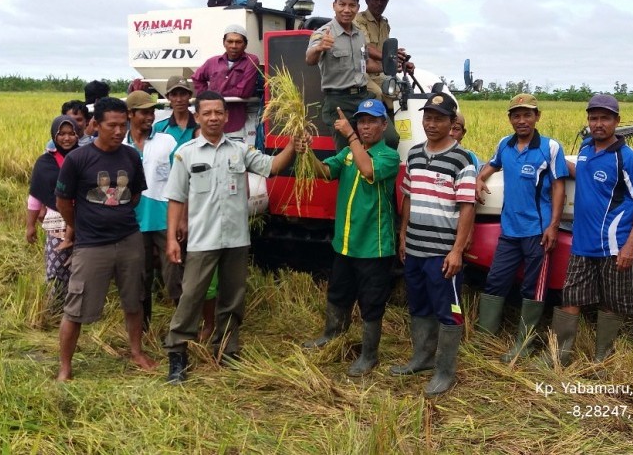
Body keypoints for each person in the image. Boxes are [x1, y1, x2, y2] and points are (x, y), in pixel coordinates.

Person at [163, 90, 302, 383]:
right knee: (191, 297)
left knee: (233, 298)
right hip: (202, 240)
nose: (213, 118)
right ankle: (177, 355)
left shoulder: (240, 150)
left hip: (236, 240)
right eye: (207, 113)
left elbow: (272, 167)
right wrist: (172, 240)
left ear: (226, 117)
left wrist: (292, 146)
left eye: (218, 113)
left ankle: (227, 350)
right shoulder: (186, 153)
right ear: (198, 117)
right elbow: (175, 198)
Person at [544, 94, 633, 366]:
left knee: (611, 303)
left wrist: (630, 245)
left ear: (617, 121)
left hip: (615, 245)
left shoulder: (626, 159)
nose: (598, 123)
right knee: (571, 296)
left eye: (605, 118)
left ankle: (602, 359)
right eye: (593, 118)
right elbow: (582, 173)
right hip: (582, 243)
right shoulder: (584, 148)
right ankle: (559, 356)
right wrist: (551, 158)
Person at [54, 96, 157, 381]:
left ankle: (136, 352)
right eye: (112, 125)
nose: (118, 131)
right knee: (76, 307)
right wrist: (80, 227)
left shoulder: (130, 156)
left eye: (122, 125)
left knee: (134, 299)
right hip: (91, 245)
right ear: (95, 124)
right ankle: (65, 366)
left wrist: (117, 216)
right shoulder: (78, 158)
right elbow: (63, 201)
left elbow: (134, 195)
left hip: (129, 239)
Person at [301, 100, 400, 377]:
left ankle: (369, 356)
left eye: (372, 121)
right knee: (338, 292)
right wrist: (305, 153)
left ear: (384, 125)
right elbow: (324, 172)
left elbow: (368, 170)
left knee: (371, 301)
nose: (365, 126)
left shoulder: (389, 156)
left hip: (374, 246)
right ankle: (331, 335)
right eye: (361, 121)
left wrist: (351, 135)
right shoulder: (347, 153)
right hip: (345, 242)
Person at [390, 92, 476, 396]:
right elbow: (408, 197)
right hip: (414, 248)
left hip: (442, 253)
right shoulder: (413, 154)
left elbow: (467, 206)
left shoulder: (462, 159)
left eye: (439, 118)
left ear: (452, 122)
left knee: (448, 311)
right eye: (427, 117)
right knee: (419, 305)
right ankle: (422, 358)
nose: (431, 123)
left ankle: (445, 371)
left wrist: (456, 250)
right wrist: (403, 234)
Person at [474, 93, 568, 363]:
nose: (522, 120)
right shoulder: (505, 144)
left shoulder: (549, 148)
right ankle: (484, 335)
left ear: (537, 116)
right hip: (509, 231)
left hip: (538, 232)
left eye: (528, 114)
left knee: (533, 288)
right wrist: (479, 180)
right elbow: (491, 166)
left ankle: (523, 344)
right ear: (510, 119)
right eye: (516, 115)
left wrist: (553, 226)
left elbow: (559, 187)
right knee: (495, 280)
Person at [154, 76, 217, 340]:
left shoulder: (199, 124)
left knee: (198, 263)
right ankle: (182, 313)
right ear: (168, 97)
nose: (179, 98)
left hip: (199, 202)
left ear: (190, 96)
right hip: (167, 200)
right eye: (174, 94)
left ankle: (204, 319)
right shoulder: (159, 128)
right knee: (173, 264)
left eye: (183, 94)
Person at [306, 0, 389, 152]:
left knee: (390, 139)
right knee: (346, 156)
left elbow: (365, 64)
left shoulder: (359, 34)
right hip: (338, 101)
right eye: (342, 4)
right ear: (334, 5)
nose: (346, 9)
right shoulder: (323, 33)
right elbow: (309, 59)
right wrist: (319, 48)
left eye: (352, 5)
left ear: (358, 8)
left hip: (363, 97)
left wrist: (390, 65)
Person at [124, 90, 181, 332]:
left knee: (174, 275)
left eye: (152, 111)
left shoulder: (167, 141)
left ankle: (183, 327)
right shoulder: (121, 144)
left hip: (165, 219)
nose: (150, 116)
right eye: (144, 112)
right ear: (130, 114)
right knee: (141, 279)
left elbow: (180, 181)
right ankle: (143, 330)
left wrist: (181, 219)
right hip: (133, 223)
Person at [26, 115, 79, 313]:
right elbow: (35, 196)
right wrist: (30, 226)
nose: (67, 138)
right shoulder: (45, 162)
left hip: (84, 224)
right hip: (56, 225)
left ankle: (76, 312)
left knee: (80, 271)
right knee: (56, 269)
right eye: (62, 134)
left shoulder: (86, 157)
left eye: (71, 133)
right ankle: (54, 311)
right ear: (54, 136)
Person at [353, 0, 410, 148]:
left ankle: (401, 134)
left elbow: (388, 51)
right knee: (378, 93)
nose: (379, 3)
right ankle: (383, 135)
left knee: (400, 93)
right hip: (362, 72)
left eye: (383, 0)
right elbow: (367, 47)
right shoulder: (359, 21)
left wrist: (402, 60)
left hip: (380, 71)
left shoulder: (385, 23)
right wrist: (390, 58)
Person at [191, 25, 261, 146]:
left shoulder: (251, 60)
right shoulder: (212, 62)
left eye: (238, 42)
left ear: (245, 44)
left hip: (235, 122)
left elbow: (244, 91)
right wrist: (205, 97)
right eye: (230, 41)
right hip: (211, 123)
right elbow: (197, 78)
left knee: (234, 159)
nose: (234, 46)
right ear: (224, 43)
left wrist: (213, 95)